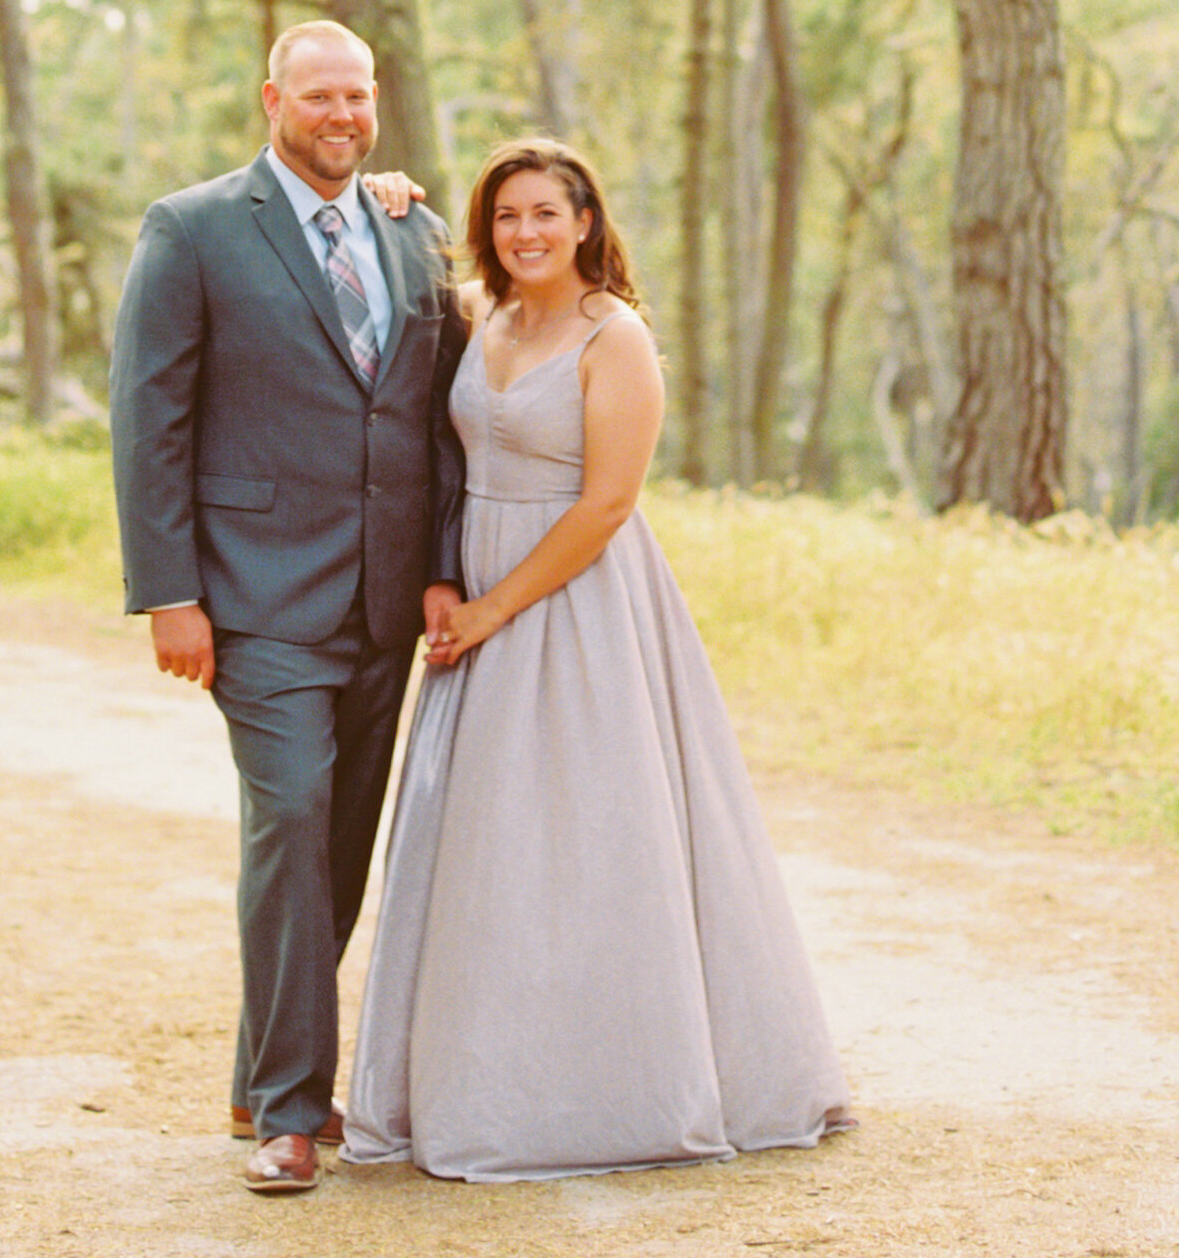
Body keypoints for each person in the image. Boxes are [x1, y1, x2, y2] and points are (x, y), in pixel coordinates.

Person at [344, 139, 850, 1183]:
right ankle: (477, 1077)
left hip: (575, 605)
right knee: (487, 849)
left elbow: (607, 506)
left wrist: (493, 609)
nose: (524, 233)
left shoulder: (611, 336)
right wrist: (446, 582)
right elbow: (450, 462)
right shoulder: (483, 316)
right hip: (475, 594)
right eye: (505, 216)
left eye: (545, 214)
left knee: (587, 840)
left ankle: (607, 1090)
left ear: (585, 224)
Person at [107, 19, 469, 1199]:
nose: (341, 117)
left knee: (341, 846)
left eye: (358, 97)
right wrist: (169, 592)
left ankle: (258, 1071)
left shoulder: (412, 231)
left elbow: (430, 418)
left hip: (381, 602)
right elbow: (147, 417)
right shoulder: (193, 228)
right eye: (318, 96)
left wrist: (443, 566)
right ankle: (291, 1113)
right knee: (292, 820)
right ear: (271, 98)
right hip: (254, 601)